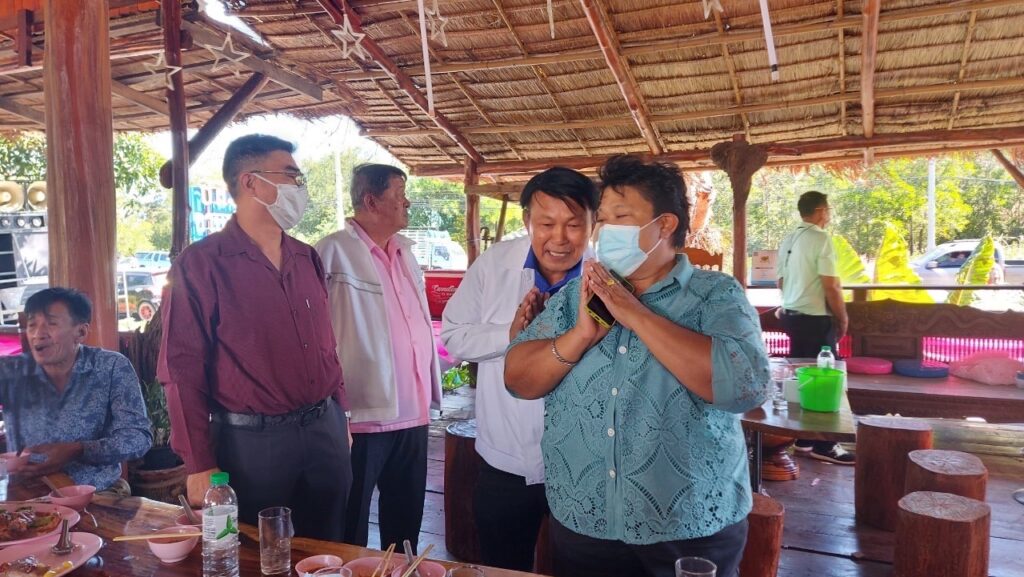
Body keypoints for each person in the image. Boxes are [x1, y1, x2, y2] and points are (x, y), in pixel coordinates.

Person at [505, 155, 770, 577]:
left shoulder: (715, 295)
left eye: (621, 217)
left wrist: (637, 315)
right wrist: (580, 336)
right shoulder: (576, 296)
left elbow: (744, 387)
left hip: (688, 528)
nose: (605, 230)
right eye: (602, 220)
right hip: (585, 522)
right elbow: (518, 380)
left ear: (664, 225)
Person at [158, 134, 351, 541]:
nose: (300, 187)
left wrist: (342, 415)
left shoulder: (306, 257)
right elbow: (181, 368)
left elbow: (326, 345)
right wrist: (198, 462)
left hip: (324, 429)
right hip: (251, 443)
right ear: (251, 182)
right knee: (253, 550)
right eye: (291, 175)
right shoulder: (201, 263)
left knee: (329, 546)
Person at [442, 167, 598, 571]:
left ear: (593, 224)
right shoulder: (494, 265)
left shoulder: (608, 276)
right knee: (504, 566)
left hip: (587, 467)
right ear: (528, 220)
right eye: (546, 224)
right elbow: (454, 335)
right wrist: (509, 335)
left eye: (573, 225)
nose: (559, 238)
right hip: (505, 461)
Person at [315, 164, 441, 554]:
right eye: (399, 194)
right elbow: (316, 333)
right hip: (363, 414)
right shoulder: (332, 251)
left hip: (413, 412)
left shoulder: (405, 252)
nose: (407, 202)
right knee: (351, 518)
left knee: (406, 521)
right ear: (371, 201)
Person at [0, 287, 151, 492]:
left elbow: (139, 437)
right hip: (23, 494)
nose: (38, 334)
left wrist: (79, 449)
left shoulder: (111, 367)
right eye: (32, 324)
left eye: (51, 324)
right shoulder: (11, 371)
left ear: (81, 332)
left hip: (96, 492)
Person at [776, 191, 854, 465]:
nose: (829, 214)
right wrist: (842, 317)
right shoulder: (820, 239)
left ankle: (804, 439)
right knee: (824, 380)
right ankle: (825, 444)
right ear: (821, 211)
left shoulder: (789, 240)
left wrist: (791, 301)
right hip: (814, 320)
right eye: (828, 209)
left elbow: (780, 282)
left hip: (792, 317)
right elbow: (831, 285)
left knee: (803, 380)